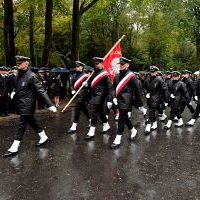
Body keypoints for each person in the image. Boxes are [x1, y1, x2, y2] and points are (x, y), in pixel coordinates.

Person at [4, 56, 57, 157]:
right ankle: (43, 136)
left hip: (28, 104)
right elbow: (17, 86)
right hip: (21, 103)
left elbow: (41, 91)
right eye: (17, 62)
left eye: (20, 62)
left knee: (21, 124)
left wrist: (49, 104)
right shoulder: (18, 75)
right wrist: (14, 91)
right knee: (32, 121)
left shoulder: (31, 76)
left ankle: (15, 146)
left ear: (26, 63)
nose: (18, 64)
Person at [110, 57, 144, 149]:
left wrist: (140, 104)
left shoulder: (131, 76)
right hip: (118, 100)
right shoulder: (117, 76)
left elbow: (137, 91)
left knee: (121, 118)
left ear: (127, 65)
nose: (121, 66)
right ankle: (133, 130)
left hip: (126, 101)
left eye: (123, 64)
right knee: (124, 117)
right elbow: (113, 88)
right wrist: (113, 98)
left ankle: (118, 138)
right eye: (120, 64)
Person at [85, 57, 113, 140]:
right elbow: (91, 83)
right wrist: (87, 84)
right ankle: (106, 125)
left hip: (101, 96)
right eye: (95, 64)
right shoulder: (94, 72)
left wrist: (110, 99)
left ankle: (92, 130)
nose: (96, 65)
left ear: (102, 64)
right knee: (100, 111)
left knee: (94, 112)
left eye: (97, 64)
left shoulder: (105, 75)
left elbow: (110, 87)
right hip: (94, 95)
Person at [67, 61, 91, 133]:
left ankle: (74, 125)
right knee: (83, 109)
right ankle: (90, 119)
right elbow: (71, 84)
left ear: (81, 67)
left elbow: (90, 85)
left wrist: (87, 84)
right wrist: (72, 90)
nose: (76, 68)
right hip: (76, 95)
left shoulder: (86, 76)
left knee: (77, 109)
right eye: (76, 67)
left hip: (83, 95)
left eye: (78, 66)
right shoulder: (73, 75)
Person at [144, 66, 168, 134]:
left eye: (154, 72)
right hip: (149, 98)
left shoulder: (159, 79)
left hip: (157, 98)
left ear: (156, 72)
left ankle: (148, 126)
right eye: (151, 72)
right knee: (155, 110)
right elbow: (145, 88)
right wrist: (146, 93)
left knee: (151, 111)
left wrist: (165, 100)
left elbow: (164, 89)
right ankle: (155, 123)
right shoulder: (147, 79)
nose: (152, 73)